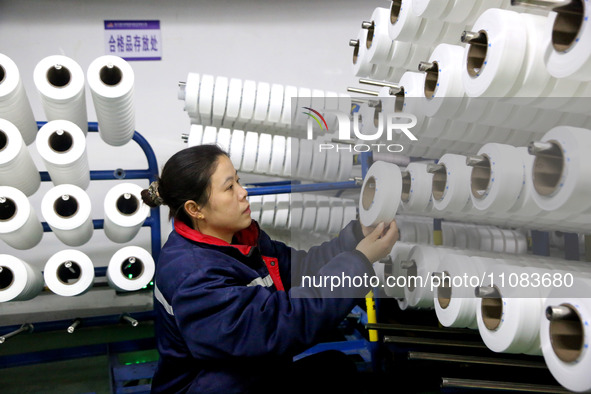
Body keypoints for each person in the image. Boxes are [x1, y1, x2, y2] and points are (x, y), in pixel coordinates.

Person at [142, 144, 399, 393]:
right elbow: (279, 324)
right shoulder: (194, 277)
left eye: (238, 182)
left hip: (246, 371)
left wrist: (356, 238)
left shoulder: (242, 240)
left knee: (336, 369)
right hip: (212, 385)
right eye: (229, 188)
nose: (243, 193)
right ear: (195, 209)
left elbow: (302, 268)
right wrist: (359, 261)